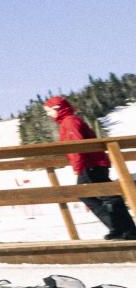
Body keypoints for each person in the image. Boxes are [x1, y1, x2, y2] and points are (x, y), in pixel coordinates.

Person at [44, 96, 136, 240]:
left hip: (90, 164)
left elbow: (77, 146)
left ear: (57, 109)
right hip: (93, 163)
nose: (48, 114)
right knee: (104, 195)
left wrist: (78, 166)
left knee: (100, 195)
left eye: (49, 110)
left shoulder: (70, 122)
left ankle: (123, 228)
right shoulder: (68, 121)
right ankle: (121, 228)